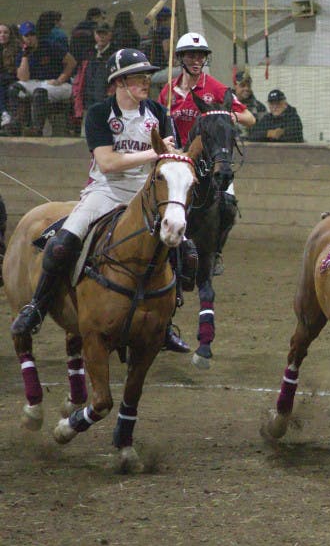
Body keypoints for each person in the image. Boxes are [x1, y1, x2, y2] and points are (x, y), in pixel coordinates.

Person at [10, 48, 192, 353]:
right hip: (105, 191)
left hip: (146, 195)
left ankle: (166, 323)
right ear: (119, 82)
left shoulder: (160, 114)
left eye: (147, 76)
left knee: (185, 250)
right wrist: (153, 153)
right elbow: (106, 163)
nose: (146, 82)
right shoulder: (99, 114)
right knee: (61, 244)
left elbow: (170, 160)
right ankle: (36, 308)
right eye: (137, 77)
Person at [159, 33, 253, 277]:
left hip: (208, 161)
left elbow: (249, 118)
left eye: (200, 55)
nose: (196, 60)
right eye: (191, 55)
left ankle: (215, 252)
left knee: (229, 206)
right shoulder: (168, 92)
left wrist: (228, 116)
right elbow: (159, 126)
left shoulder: (216, 88)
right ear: (181, 58)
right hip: (177, 159)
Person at [10, 20, 77, 136]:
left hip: (57, 84)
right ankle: (17, 125)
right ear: (22, 38)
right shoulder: (22, 53)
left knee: (39, 93)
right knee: (14, 89)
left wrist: (61, 79)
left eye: (32, 35)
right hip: (36, 82)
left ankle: (36, 129)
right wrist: (25, 56)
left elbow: (71, 62)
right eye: (27, 36)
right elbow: (23, 78)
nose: (30, 38)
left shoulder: (49, 45)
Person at [233, 69, 266, 134]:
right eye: (242, 85)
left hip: (253, 143)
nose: (247, 89)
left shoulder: (260, 107)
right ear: (235, 86)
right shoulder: (225, 105)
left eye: (249, 86)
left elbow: (265, 130)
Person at [0, 23, 18, 131]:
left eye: (5, 33)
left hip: (13, 76)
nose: (2, 35)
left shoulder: (16, 48)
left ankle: (5, 113)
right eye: (0, 33)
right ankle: (4, 113)